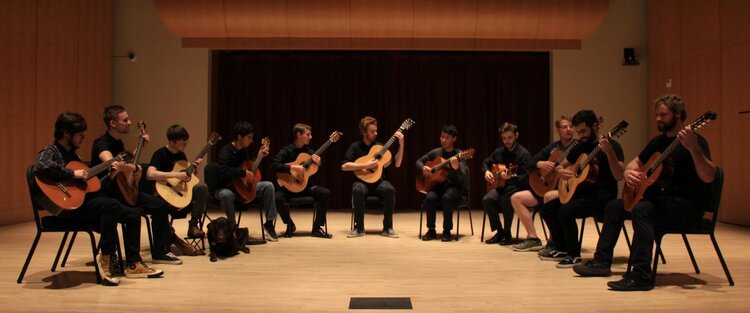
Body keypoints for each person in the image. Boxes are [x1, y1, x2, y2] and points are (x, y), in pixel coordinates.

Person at [573, 95, 715, 291]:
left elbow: (709, 176)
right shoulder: (658, 142)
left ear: (679, 114)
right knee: (614, 206)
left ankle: (641, 275)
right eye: (656, 115)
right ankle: (602, 262)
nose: (658, 119)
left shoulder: (695, 141)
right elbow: (633, 165)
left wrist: (694, 149)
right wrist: (630, 173)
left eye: (663, 115)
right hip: (661, 201)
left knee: (642, 210)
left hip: (686, 204)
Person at [34, 112, 163, 286]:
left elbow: (94, 187)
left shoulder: (75, 157)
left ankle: (134, 264)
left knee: (133, 214)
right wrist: (72, 173)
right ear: (66, 133)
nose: (83, 137)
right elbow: (41, 166)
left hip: (84, 204)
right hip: (67, 210)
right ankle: (106, 258)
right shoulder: (52, 151)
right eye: (79, 134)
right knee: (110, 205)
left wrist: (111, 175)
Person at [91, 105, 195, 265]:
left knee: (159, 206)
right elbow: (110, 163)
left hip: (124, 191)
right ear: (113, 123)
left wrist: (138, 149)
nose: (129, 122)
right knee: (134, 214)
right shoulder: (101, 143)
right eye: (125, 120)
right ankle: (121, 258)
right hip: (108, 194)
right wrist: (134, 167)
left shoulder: (118, 143)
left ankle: (161, 252)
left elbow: (125, 165)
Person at [539, 110, 624, 268]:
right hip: (581, 194)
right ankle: (563, 248)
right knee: (547, 209)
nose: (581, 135)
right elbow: (560, 165)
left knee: (566, 211)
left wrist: (610, 152)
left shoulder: (612, 145)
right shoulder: (580, 145)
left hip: (602, 197)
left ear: (595, 125)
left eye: (584, 131)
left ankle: (574, 255)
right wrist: (559, 171)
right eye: (579, 132)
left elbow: (620, 175)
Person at [510, 116, 575, 252]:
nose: (568, 129)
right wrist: (540, 163)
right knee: (516, 198)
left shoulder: (578, 148)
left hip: (564, 190)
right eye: (564, 127)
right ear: (558, 130)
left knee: (550, 197)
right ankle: (533, 238)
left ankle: (554, 241)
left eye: (571, 126)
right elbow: (530, 164)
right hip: (545, 187)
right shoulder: (553, 148)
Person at [215, 121, 279, 241]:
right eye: (249, 137)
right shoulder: (226, 151)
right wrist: (242, 173)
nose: (251, 140)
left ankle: (269, 223)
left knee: (268, 186)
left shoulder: (243, 151)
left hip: (241, 188)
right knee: (225, 194)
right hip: (226, 187)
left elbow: (248, 168)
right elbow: (222, 171)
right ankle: (232, 227)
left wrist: (260, 156)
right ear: (239, 137)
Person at [342, 116, 404, 238]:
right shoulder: (355, 147)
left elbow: (397, 164)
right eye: (372, 131)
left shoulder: (380, 147)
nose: (376, 133)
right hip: (362, 181)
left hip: (379, 182)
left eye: (376, 130)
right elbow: (344, 166)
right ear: (364, 132)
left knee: (390, 189)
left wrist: (401, 145)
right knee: (357, 189)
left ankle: (388, 228)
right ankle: (359, 228)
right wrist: (366, 165)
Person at [146, 125, 208, 240]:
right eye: (183, 143)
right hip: (163, 195)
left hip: (179, 193)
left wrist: (195, 168)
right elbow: (150, 174)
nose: (185, 144)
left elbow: (187, 179)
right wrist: (176, 175)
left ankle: (193, 225)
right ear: (172, 142)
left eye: (186, 142)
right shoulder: (159, 154)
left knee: (202, 187)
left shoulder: (181, 155)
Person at [271, 123, 332, 238]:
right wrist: (292, 167)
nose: (311, 137)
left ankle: (317, 228)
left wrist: (319, 164)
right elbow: (273, 165)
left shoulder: (310, 152)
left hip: (306, 187)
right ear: (299, 135)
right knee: (277, 198)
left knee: (325, 193)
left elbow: (315, 174)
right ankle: (289, 225)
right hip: (288, 187)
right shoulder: (286, 150)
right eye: (308, 134)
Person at [416, 125, 468, 241]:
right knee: (430, 197)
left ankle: (447, 231)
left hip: (455, 186)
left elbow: (463, 176)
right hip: (438, 185)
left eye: (447, 138)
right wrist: (423, 167)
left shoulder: (460, 155)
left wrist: (456, 168)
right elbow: (418, 161)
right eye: (442, 137)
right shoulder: (436, 152)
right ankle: (431, 230)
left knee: (447, 197)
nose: (443, 140)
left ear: (454, 139)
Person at [481, 122, 531, 245]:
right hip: (500, 187)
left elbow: (526, 178)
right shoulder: (499, 152)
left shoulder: (524, 154)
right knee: (487, 199)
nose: (507, 141)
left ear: (516, 136)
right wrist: (486, 172)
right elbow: (485, 162)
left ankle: (507, 233)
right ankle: (500, 231)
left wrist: (511, 177)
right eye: (504, 138)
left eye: (510, 138)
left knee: (506, 199)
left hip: (517, 189)